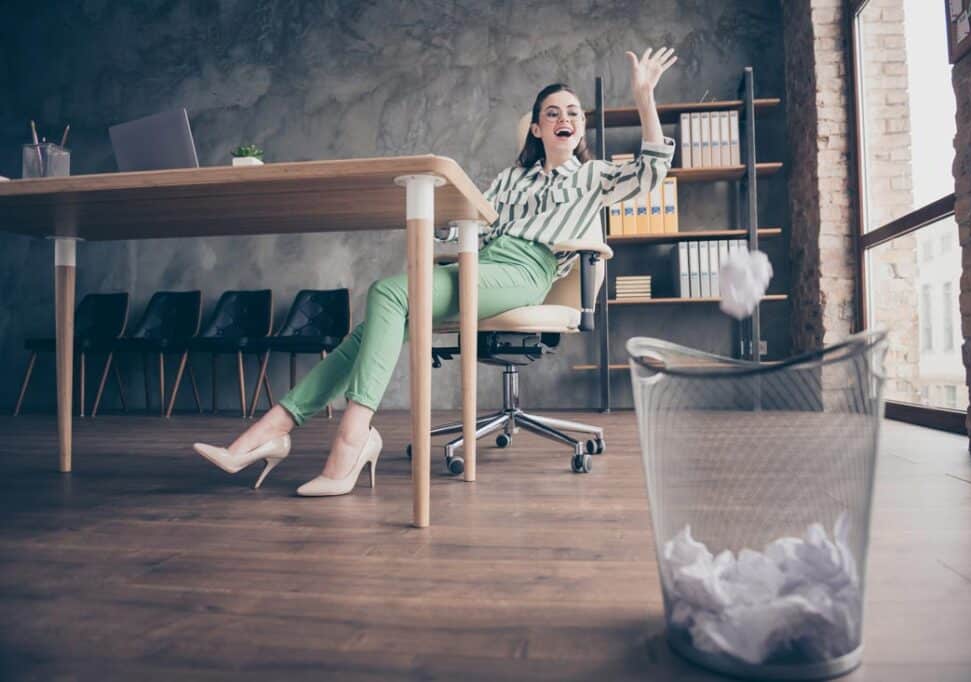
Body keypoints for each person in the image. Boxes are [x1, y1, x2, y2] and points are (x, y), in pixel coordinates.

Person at [193, 47, 678, 496]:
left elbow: (652, 171)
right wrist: (437, 220)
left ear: (581, 129)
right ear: (536, 129)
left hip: (527, 272)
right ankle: (272, 431)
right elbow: (474, 228)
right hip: (481, 262)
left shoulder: (593, 178)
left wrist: (643, 96)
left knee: (387, 293)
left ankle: (345, 438)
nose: (563, 119)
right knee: (373, 323)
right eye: (552, 113)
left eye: (573, 113)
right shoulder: (511, 179)